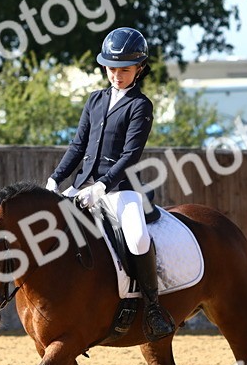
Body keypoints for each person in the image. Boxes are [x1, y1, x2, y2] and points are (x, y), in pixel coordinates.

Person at [46, 27, 177, 341]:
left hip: (121, 189)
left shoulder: (140, 105)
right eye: (113, 69)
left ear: (139, 70)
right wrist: (56, 178)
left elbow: (131, 154)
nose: (118, 75)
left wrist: (102, 185)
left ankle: (154, 307)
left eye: (125, 70)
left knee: (137, 239)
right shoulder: (95, 99)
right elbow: (78, 146)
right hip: (82, 184)